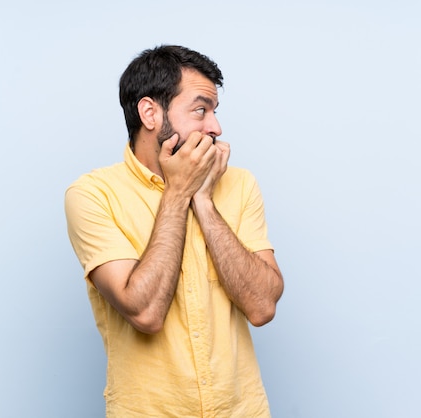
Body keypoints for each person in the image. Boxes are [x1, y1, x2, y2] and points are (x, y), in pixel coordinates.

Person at [64, 45, 284, 418]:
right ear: (150, 112)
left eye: (214, 112)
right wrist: (179, 193)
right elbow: (145, 312)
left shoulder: (240, 184)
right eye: (201, 110)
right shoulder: (92, 195)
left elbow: (262, 307)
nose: (215, 127)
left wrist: (204, 201)